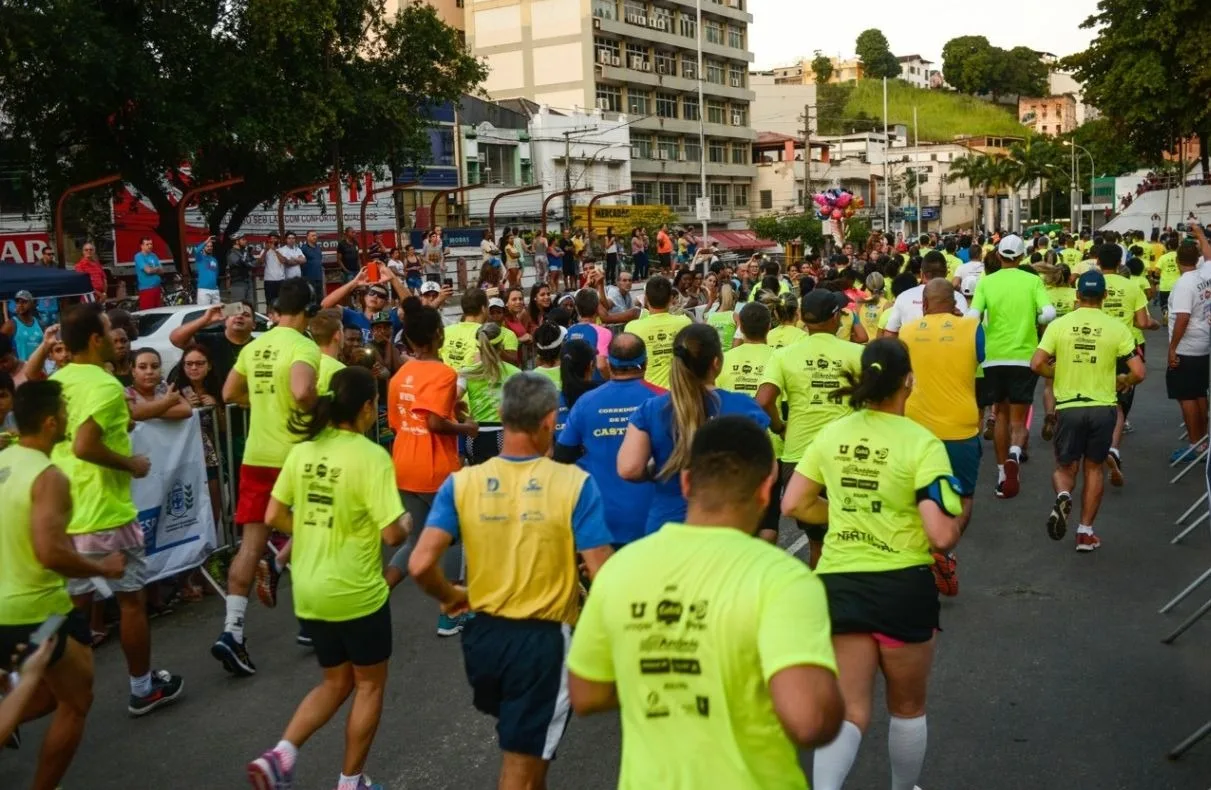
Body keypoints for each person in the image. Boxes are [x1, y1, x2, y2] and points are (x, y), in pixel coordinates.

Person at [567, 416, 844, 789]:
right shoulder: (783, 579)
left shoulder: (620, 570)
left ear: (685, 484)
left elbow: (586, 693)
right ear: (765, 490)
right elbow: (809, 720)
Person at [408, 373, 614, 790]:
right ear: (549, 420)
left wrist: (452, 596)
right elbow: (603, 573)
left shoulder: (462, 482)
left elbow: (420, 562)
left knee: (524, 755)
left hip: (483, 638)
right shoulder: (574, 484)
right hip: (543, 642)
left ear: (500, 416)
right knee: (523, 767)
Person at [781, 338, 963, 790]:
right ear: (909, 381)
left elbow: (793, 503)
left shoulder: (834, 433)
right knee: (906, 707)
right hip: (903, 585)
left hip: (840, 583)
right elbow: (940, 534)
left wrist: (843, 512)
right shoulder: (923, 444)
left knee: (850, 708)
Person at [247, 367, 408, 790]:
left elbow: (273, 516)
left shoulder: (303, 451)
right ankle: (350, 782)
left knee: (335, 681)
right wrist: (405, 523)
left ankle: (281, 754)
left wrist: (316, 525)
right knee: (369, 685)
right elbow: (393, 533)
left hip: (311, 590)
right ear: (369, 407)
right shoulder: (371, 456)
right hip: (357, 590)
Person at [51, 303, 185, 714]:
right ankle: (143, 688)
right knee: (131, 600)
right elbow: (85, 444)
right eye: (110, 332)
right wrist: (132, 464)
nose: (116, 338)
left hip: (64, 509)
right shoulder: (105, 384)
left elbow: (114, 423)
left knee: (74, 604)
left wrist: (152, 411)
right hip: (104, 510)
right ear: (95, 340)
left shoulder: (60, 381)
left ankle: (50, 693)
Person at [0, 379, 128, 788]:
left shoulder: (4, 462)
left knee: (45, 696)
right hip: (37, 610)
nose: (71, 417)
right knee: (76, 701)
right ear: (52, 422)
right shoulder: (48, 475)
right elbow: (50, 553)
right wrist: (103, 568)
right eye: (67, 412)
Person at [214, 280, 320, 675]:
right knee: (313, 533)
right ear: (306, 313)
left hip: (256, 457)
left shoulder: (254, 346)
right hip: (294, 456)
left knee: (250, 545)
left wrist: (258, 400)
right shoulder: (303, 345)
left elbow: (228, 393)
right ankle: (311, 621)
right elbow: (302, 390)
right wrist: (317, 407)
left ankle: (232, 632)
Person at [619, 323, 770, 537]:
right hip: (727, 528)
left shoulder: (652, 409)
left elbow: (629, 468)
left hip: (666, 527)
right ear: (716, 363)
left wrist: (658, 470)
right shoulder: (745, 407)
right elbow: (766, 468)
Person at [1031, 271, 1146, 551]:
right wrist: (1125, 381)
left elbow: (1035, 364)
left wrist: (1054, 373)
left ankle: (1062, 494)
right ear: (1105, 296)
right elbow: (1139, 371)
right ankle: (1085, 532)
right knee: (1093, 468)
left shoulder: (1060, 325)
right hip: (1102, 407)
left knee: (1064, 467)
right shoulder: (1117, 328)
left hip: (1069, 407)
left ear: (1077, 295)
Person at [384, 298, 477, 638]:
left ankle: (379, 595)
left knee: (419, 538)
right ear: (439, 333)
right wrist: (465, 428)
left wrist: (453, 410)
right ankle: (451, 613)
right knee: (454, 539)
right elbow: (436, 423)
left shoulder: (400, 375)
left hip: (404, 464)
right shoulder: (443, 373)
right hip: (435, 468)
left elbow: (400, 421)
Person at [757, 290, 863, 568]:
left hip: (799, 457)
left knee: (817, 542)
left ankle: (821, 602)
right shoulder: (858, 353)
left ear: (804, 320)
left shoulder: (784, 355)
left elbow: (764, 400)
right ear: (833, 318)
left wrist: (780, 427)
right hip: (847, 455)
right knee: (851, 537)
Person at [899, 280, 985, 596]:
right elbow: (980, 359)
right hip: (960, 427)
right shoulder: (971, 327)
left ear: (923, 304)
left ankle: (921, 554)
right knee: (964, 496)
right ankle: (944, 548)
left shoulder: (907, 331)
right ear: (954, 303)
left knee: (917, 496)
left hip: (915, 429)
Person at [554, 333, 663, 547]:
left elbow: (561, 458)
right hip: (652, 522)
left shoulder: (586, 402)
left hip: (601, 522)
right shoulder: (663, 399)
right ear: (646, 363)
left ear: (608, 364)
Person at [968, 235, 1055, 499]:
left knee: (1001, 415)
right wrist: (1034, 317)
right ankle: (1015, 454)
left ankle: (1002, 475)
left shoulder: (986, 281)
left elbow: (973, 316)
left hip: (993, 358)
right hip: (1023, 356)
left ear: (999, 255)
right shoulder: (1032, 281)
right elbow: (1049, 313)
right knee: (1019, 418)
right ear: (1020, 257)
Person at [716, 302, 781, 543]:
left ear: (739, 326)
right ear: (769, 325)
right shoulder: (779, 357)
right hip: (771, 444)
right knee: (768, 517)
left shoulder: (723, 359)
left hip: (730, 444)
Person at [1165, 241, 1210, 462]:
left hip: (1188, 347)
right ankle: (1202, 441)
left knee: (1187, 396)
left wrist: (1173, 348)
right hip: (1202, 343)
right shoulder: (1203, 277)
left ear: (1176, 260)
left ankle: (1196, 445)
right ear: (1197, 258)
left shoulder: (1184, 284)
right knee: (1199, 393)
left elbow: (1183, 317)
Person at [458, 322, 520, 465]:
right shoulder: (515, 373)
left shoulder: (467, 372)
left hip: (474, 436)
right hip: (504, 436)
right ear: (502, 345)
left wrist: (464, 418)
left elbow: (449, 402)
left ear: (478, 347)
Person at [623, 276, 692, 389]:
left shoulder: (632, 328)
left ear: (646, 299)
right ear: (670, 299)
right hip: (679, 393)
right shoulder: (685, 322)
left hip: (648, 393)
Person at [169, 301, 256, 385]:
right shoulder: (211, 340)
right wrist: (206, 319)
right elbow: (176, 339)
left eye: (246, 315)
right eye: (234, 314)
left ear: (254, 324)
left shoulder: (260, 346)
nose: (240, 316)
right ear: (226, 320)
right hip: (214, 399)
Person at [125, 348, 193, 422]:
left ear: (160, 369)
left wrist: (145, 413)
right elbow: (133, 413)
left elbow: (187, 410)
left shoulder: (165, 389)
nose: (149, 372)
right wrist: (166, 402)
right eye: (142, 367)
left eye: (155, 366)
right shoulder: (125, 393)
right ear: (133, 371)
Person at [442, 288, 489, 372]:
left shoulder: (445, 331)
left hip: (446, 382)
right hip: (474, 383)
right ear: (483, 308)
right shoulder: (486, 334)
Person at [2, 290, 46, 362]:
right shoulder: (11, 324)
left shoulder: (40, 324)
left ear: (32, 303)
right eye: (18, 302)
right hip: (21, 370)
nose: (20, 305)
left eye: (24, 302)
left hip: (40, 370)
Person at [226, 235, 258, 309]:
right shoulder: (231, 253)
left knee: (250, 307)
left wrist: (248, 261)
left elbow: (254, 263)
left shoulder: (245, 252)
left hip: (248, 281)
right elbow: (240, 262)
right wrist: (247, 258)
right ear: (237, 241)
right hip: (237, 283)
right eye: (243, 239)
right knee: (238, 308)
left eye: (245, 239)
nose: (245, 241)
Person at [134, 236, 165, 310]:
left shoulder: (154, 256)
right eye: (147, 244)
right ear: (141, 246)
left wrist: (153, 269)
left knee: (158, 312)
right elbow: (148, 271)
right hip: (147, 289)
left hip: (157, 288)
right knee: (148, 312)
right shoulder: (139, 256)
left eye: (151, 244)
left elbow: (162, 271)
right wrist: (157, 269)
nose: (150, 246)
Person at [299, 230, 326, 302]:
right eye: (312, 236)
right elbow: (300, 262)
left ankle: (319, 313)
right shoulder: (303, 249)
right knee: (311, 298)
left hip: (319, 278)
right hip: (309, 279)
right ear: (307, 237)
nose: (315, 237)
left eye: (315, 235)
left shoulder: (318, 247)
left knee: (320, 298)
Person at [194, 236, 222, 305]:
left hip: (215, 290)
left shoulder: (214, 259)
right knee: (203, 312)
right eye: (207, 246)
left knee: (217, 313)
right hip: (204, 290)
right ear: (203, 248)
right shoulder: (200, 258)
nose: (210, 248)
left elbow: (216, 273)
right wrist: (206, 241)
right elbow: (196, 250)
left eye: (211, 246)